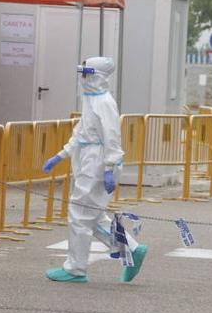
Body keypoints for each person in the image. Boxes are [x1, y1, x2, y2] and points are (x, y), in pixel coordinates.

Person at [42, 57, 147, 283]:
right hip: (89, 158)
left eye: (86, 73)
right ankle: (131, 249)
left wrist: (110, 166)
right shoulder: (92, 100)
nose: (82, 78)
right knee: (94, 215)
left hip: (97, 162)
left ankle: (75, 269)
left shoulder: (104, 102)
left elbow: (112, 136)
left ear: (96, 75)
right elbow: (82, 131)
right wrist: (62, 154)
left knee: (80, 214)